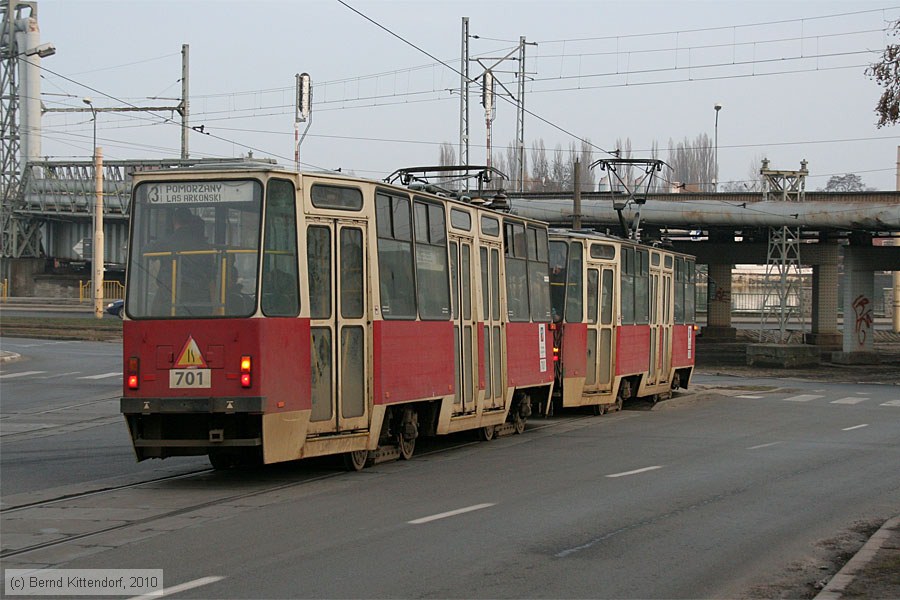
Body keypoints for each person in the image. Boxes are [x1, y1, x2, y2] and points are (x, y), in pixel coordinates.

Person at [150, 207, 215, 315]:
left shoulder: (167, 242)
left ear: (174, 220)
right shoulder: (204, 246)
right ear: (190, 221)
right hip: (201, 301)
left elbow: (144, 252)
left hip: (169, 298)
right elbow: (211, 276)